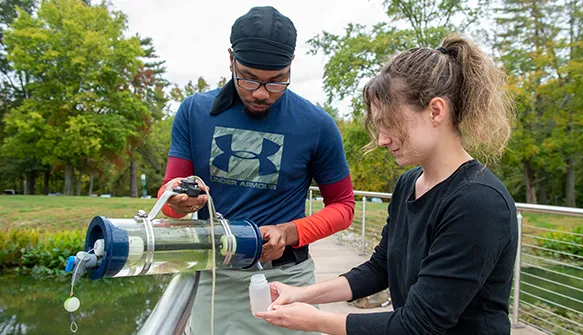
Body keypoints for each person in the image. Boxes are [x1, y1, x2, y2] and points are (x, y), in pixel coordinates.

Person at [256, 34, 518, 335]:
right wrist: (301, 293)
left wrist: (315, 320)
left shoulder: (478, 202)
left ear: (436, 111)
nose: (381, 139)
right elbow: (380, 269)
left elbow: (419, 325)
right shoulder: (409, 184)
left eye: (391, 123)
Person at [157, 6, 355, 335]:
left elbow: (344, 207)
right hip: (215, 279)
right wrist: (174, 201)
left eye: (276, 82)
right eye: (248, 78)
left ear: (291, 65)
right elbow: (168, 199)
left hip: (288, 282)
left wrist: (288, 232)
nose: (261, 93)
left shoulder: (317, 125)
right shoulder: (194, 112)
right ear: (230, 59)